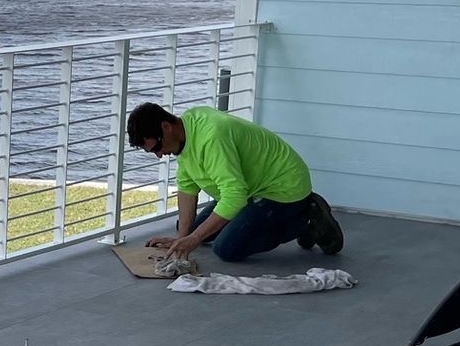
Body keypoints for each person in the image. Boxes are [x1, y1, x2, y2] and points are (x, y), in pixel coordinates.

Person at [126, 102, 343, 262]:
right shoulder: (185, 131)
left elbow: (234, 196)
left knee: (227, 248)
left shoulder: (212, 136)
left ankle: (306, 219)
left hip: (282, 188)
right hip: (248, 189)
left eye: (156, 148)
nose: (158, 155)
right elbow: (187, 188)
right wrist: (181, 238)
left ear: (166, 127)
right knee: (196, 232)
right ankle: (285, 217)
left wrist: (192, 239)